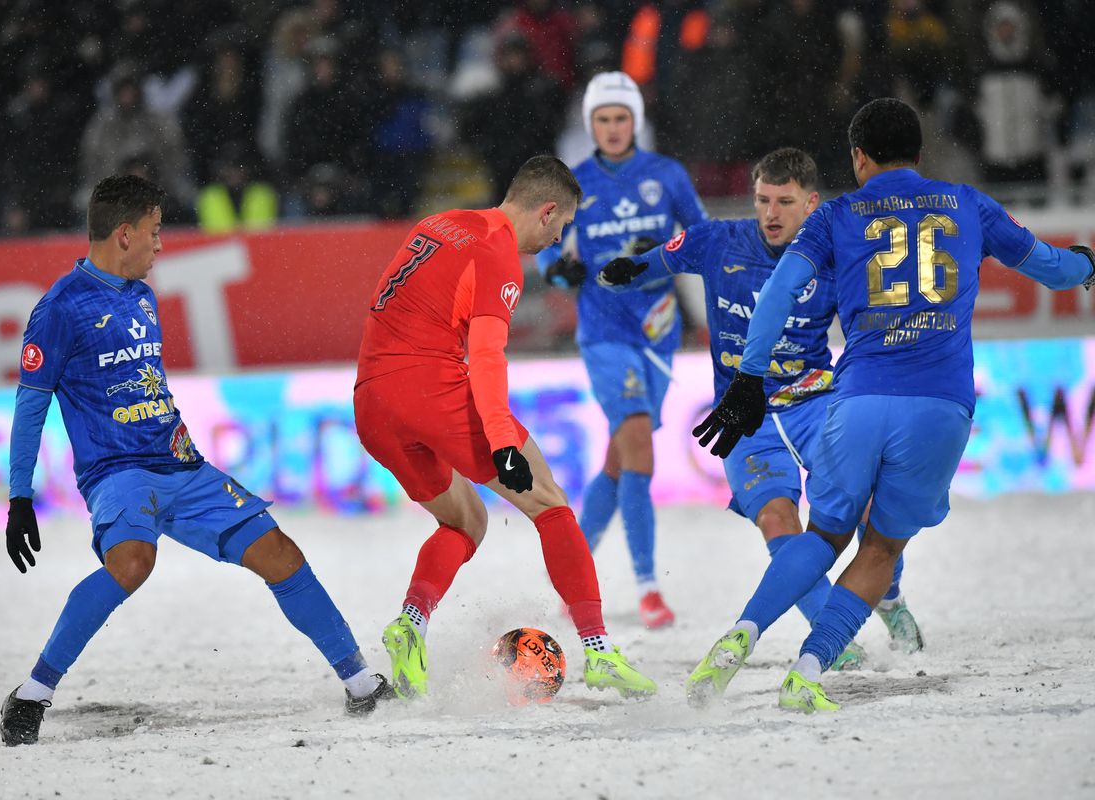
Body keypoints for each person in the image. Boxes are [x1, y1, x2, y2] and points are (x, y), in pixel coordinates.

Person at [669, 97, 1093, 712]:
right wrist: (1087, 266)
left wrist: (747, 378)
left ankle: (742, 633)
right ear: (918, 156)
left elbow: (780, 292)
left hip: (859, 398)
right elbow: (1053, 270)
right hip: (940, 405)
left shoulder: (836, 213)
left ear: (859, 157)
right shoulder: (969, 204)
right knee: (880, 549)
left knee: (822, 533)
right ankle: (808, 671)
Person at [0, 175, 393, 746]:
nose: (162, 245)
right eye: (156, 233)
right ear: (125, 233)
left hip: (183, 465)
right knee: (133, 564)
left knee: (281, 555)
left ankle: (361, 684)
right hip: (119, 473)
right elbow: (30, 406)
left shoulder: (141, 295)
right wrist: (19, 495)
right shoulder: (59, 308)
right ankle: (34, 693)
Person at [599, 147, 926, 664]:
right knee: (778, 520)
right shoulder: (717, 241)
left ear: (811, 203)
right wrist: (624, 270)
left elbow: (872, 326)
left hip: (813, 401)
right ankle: (833, 638)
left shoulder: (837, 254)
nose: (770, 213)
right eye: (762, 200)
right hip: (743, 413)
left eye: (784, 201)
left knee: (867, 508)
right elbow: (659, 259)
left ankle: (889, 597)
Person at [354, 155, 657, 701]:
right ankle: (599, 651)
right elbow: (488, 357)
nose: (557, 237)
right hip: (433, 393)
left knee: (467, 522)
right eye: (561, 224)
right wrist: (500, 442)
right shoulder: (499, 256)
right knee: (552, 504)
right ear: (546, 212)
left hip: (371, 403)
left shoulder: (436, 225)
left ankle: (410, 625)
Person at [536, 71, 707, 628]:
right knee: (636, 439)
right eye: (602, 119)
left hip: (660, 329)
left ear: (636, 121)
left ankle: (571, 579)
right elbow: (546, 254)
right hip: (605, 330)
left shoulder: (667, 175)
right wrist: (563, 270)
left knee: (620, 455)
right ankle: (648, 588)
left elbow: (701, 239)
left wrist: (660, 255)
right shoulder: (575, 182)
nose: (612, 128)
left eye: (621, 117)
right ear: (591, 125)